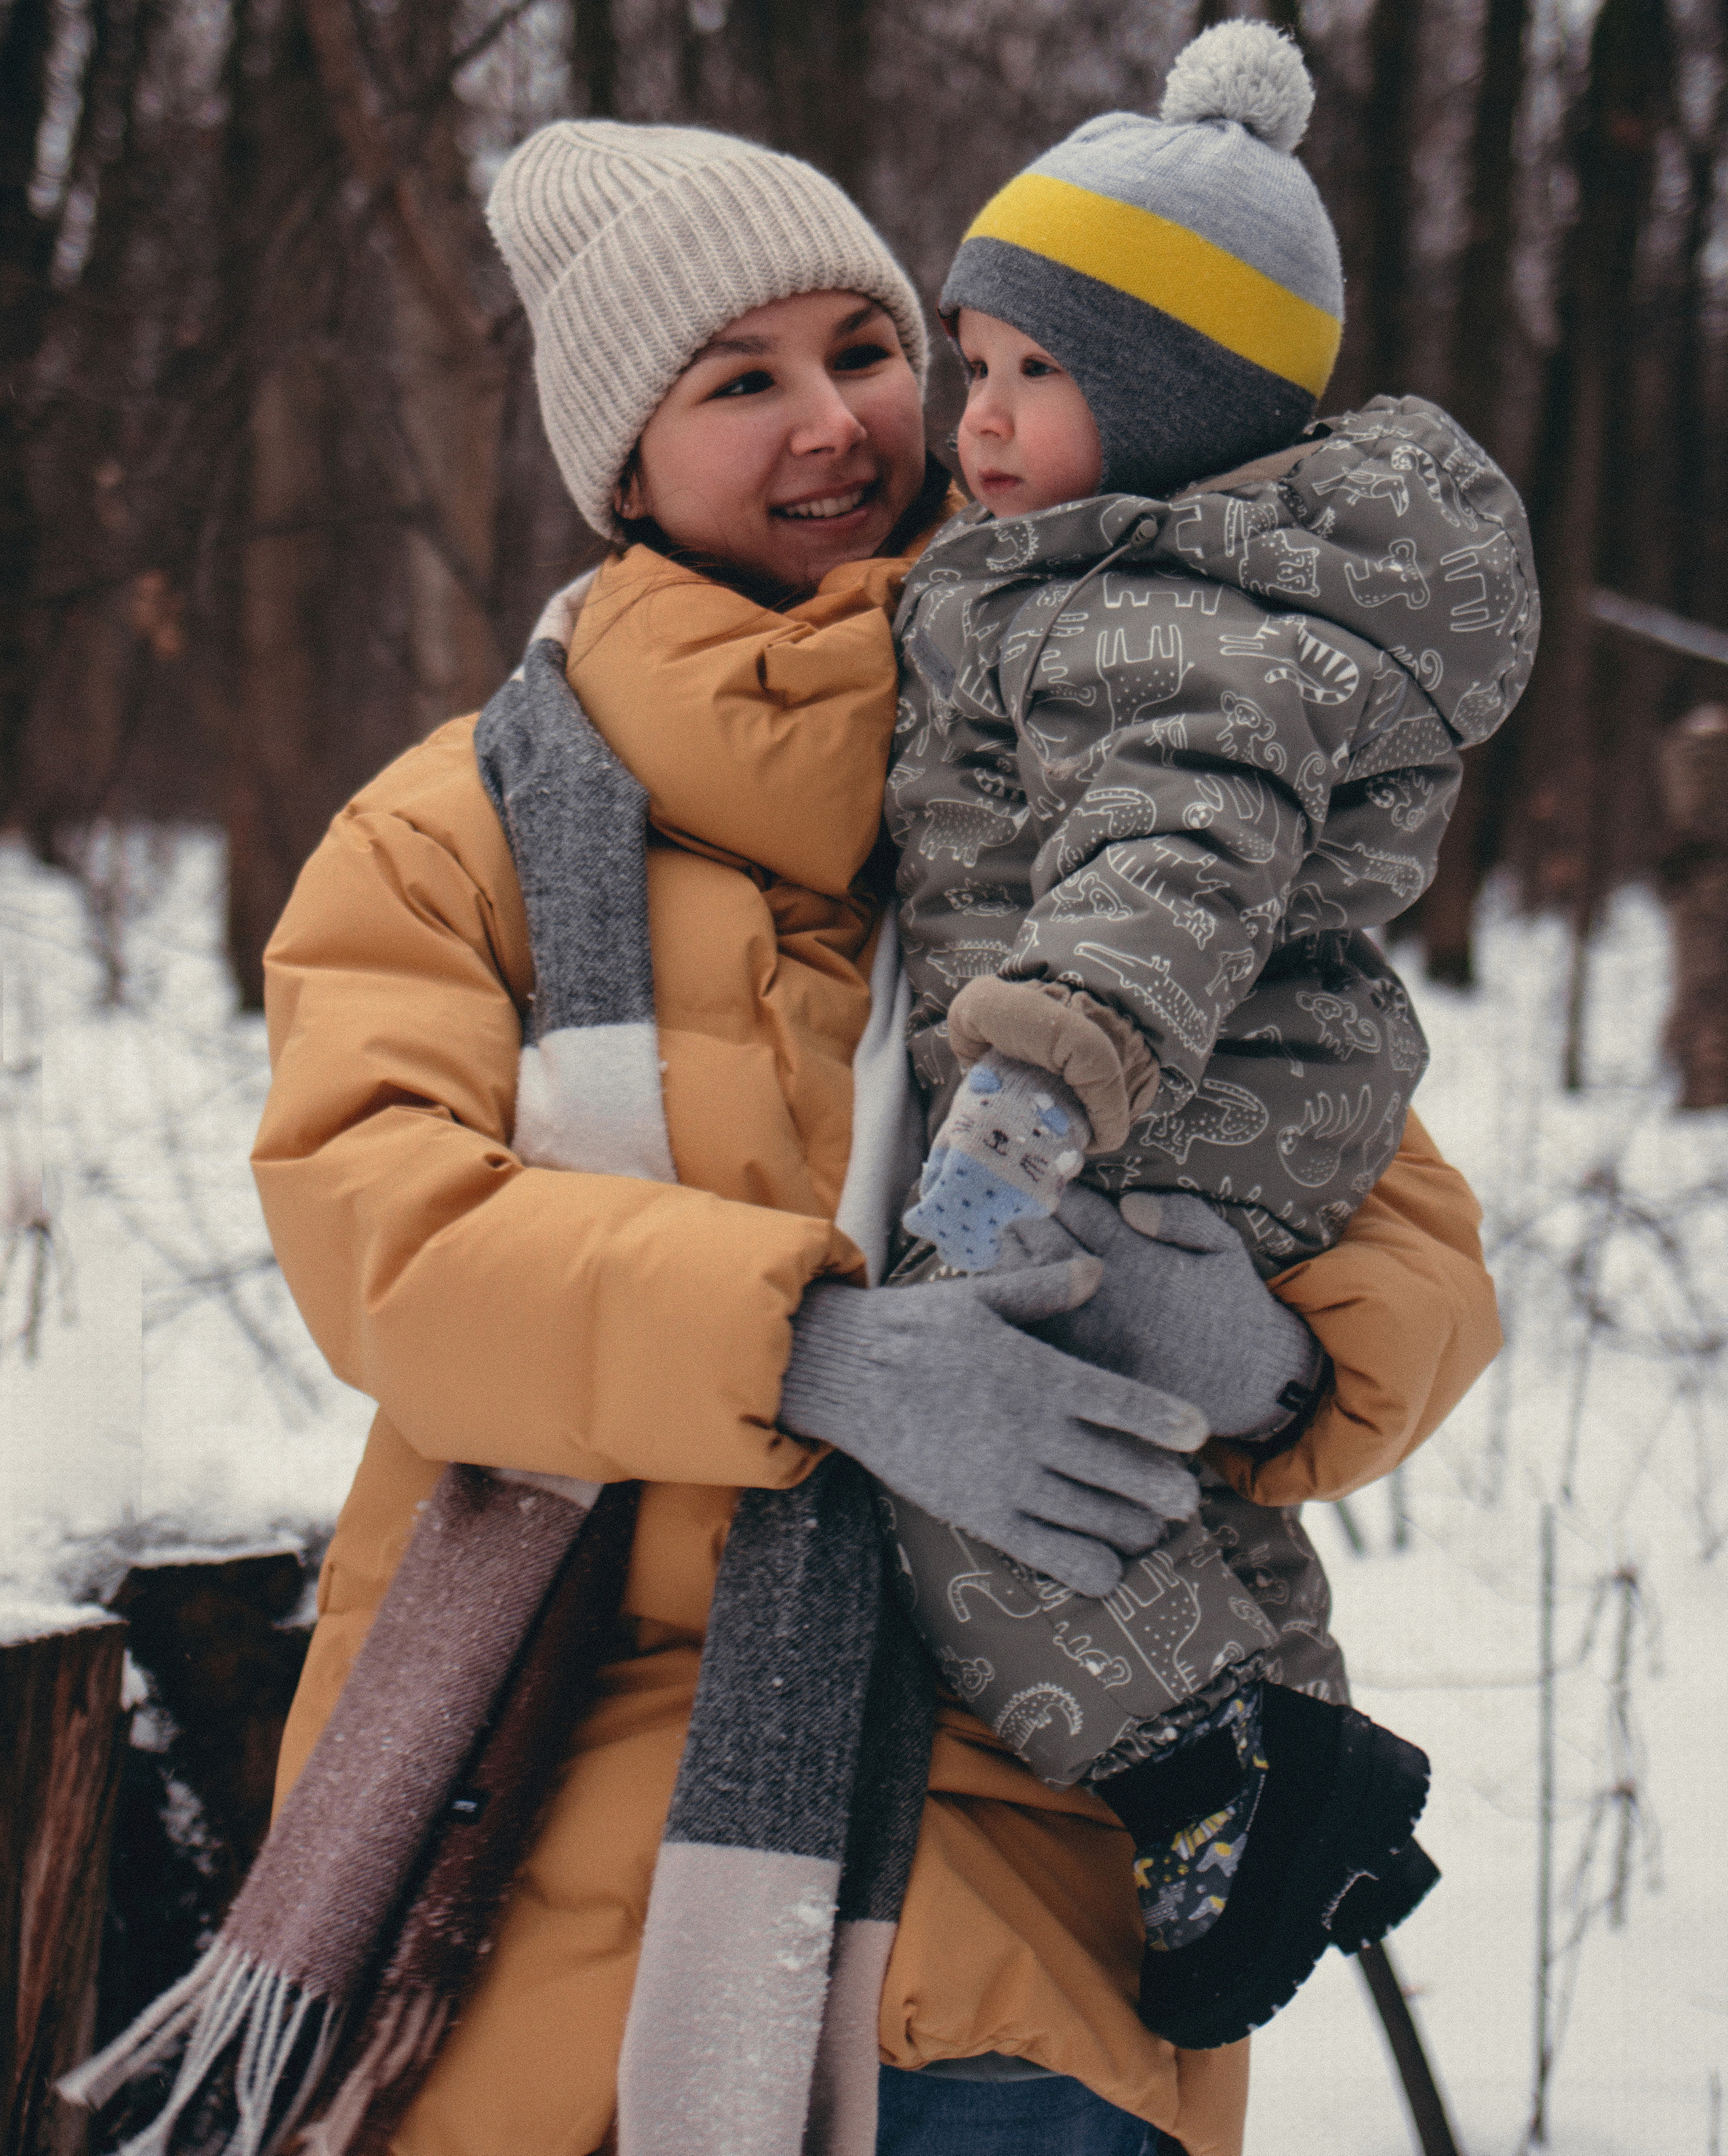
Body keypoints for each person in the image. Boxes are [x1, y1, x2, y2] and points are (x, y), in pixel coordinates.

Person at [243, 118, 1501, 2156]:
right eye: (739, 381)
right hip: (564, 1790)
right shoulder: (449, 834)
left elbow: (1396, 1203)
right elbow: (382, 1235)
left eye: (865, 347)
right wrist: (812, 1353)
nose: (835, 421)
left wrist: (1275, 1354)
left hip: (1054, 1804)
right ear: (623, 466)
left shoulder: (1126, 728)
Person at [868, 22, 1538, 2057]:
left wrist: (1044, 1073)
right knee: (1168, 1472)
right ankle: (1300, 1766)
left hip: (1151, 1093)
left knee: (964, 1440)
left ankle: (1205, 1758)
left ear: (1172, 405)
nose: (978, 422)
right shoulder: (1131, 583)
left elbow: (1180, 852)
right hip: (1229, 1085)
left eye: (1038, 376)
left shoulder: (1160, 620)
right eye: (972, 365)